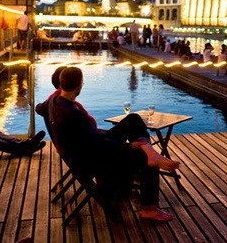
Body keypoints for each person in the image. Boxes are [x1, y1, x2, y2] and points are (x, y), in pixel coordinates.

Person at [38, 66, 180, 222]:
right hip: (93, 158)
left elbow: (39, 108)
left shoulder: (53, 101)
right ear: (79, 86)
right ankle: (149, 207)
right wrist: (128, 147)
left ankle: (151, 153)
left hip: (86, 148)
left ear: (61, 84)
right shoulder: (73, 114)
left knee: (133, 119)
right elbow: (98, 145)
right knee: (143, 157)